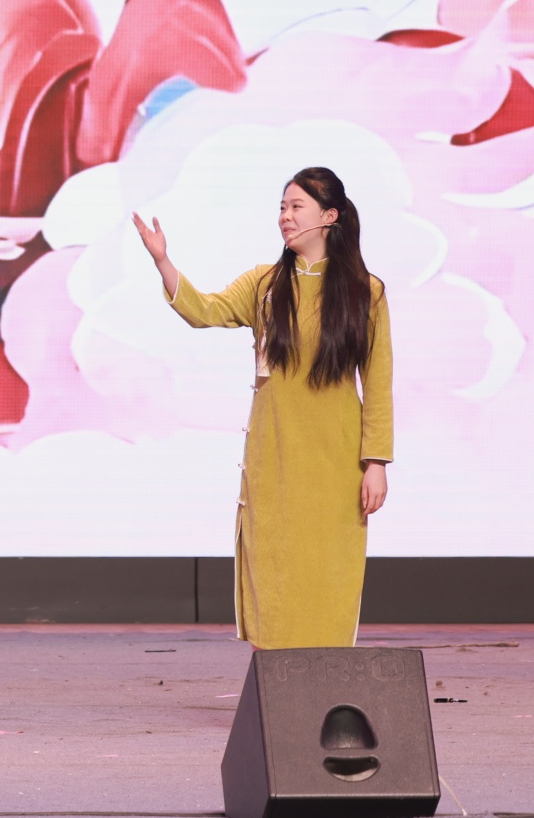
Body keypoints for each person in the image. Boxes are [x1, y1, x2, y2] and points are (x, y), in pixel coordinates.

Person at [133, 165, 394, 648]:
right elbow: (204, 310)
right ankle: (276, 670)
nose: (285, 217)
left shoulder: (366, 292)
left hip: (337, 460)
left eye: (296, 207)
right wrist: (163, 261)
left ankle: (327, 667)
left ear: (329, 216)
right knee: (274, 562)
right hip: (274, 455)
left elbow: (378, 383)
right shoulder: (265, 284)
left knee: (328, 564)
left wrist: (375, 462)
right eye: (282, 207)